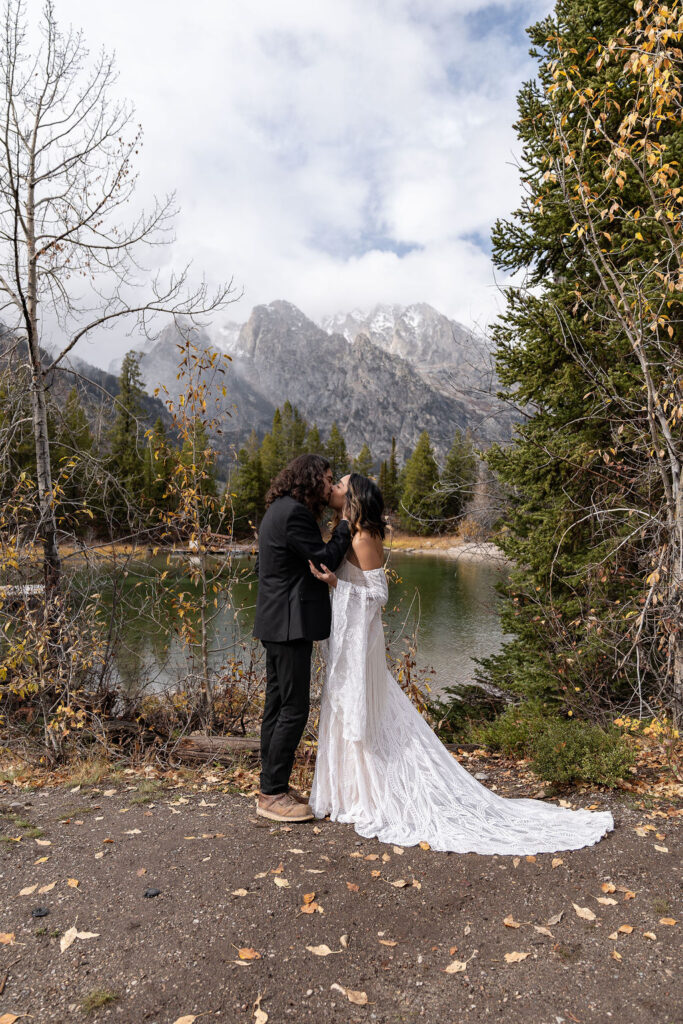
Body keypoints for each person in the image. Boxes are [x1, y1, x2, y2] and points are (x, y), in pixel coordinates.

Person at [308, 473, 615, 855]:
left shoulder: (364, 537)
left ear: (353, 495)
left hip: (362, 641)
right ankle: (347, 792)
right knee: (346, 705)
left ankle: (369, 793)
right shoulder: (346, 532)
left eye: (340, 483)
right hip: (347, 637)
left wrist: (337, 586)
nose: (334, 486)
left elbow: (379, 594)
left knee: (364, 710)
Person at [253, 453, 351, 823]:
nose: (330, 485)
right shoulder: (294, 513)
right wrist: (343, 525)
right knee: (293, 709)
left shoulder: (279, 509)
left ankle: (270, 786)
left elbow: (266, 566)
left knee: (277, 707)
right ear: (311, 479)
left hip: (275, 622)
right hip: (290, 624)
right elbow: (325, 559)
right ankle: (272, 795)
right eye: (327, 478)